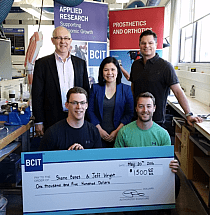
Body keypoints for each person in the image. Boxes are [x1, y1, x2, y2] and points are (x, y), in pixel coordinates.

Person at [114, 92, 180, 214]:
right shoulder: (124, 132)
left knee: (175, 179)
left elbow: (166, 163)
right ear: (136, 108)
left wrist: (172, 165)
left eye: (149, 106)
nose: (145, 110)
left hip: (155, 180)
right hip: (130, 180)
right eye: (141, 106)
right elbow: (116, 162)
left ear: (154, 108)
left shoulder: (163, 134)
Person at [130, 30, 202, 126]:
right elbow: (133, 88)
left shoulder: (165, 66)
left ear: (156, 44)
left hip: (156, 120)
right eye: (143, 43)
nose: (146, 46)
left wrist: (188, 114)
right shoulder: (135, 65)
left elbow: (177, 91)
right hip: (137, 118)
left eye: (150, 43)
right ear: (139, 45)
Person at [32, 26, 90, 136]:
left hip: (77, 117)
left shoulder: (80, 63)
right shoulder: (42, 64)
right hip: (52, 118)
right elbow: (37, 94)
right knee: (54, 150)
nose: (63, 41)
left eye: (66, 38)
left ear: (70, 41)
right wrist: (38, 121)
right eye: (59, 38)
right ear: (52, 40)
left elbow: (86, 91)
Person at [88, 56, 134, 148]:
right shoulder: (95, 88)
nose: (109, 73)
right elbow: (90, 111)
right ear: (102, 71)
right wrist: (99, 130)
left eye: (113, 69)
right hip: (98, 135)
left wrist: (117, 131)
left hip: (120, 135)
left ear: (117, 71)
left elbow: (129, 113)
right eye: (106, 70)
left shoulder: (126, 90)